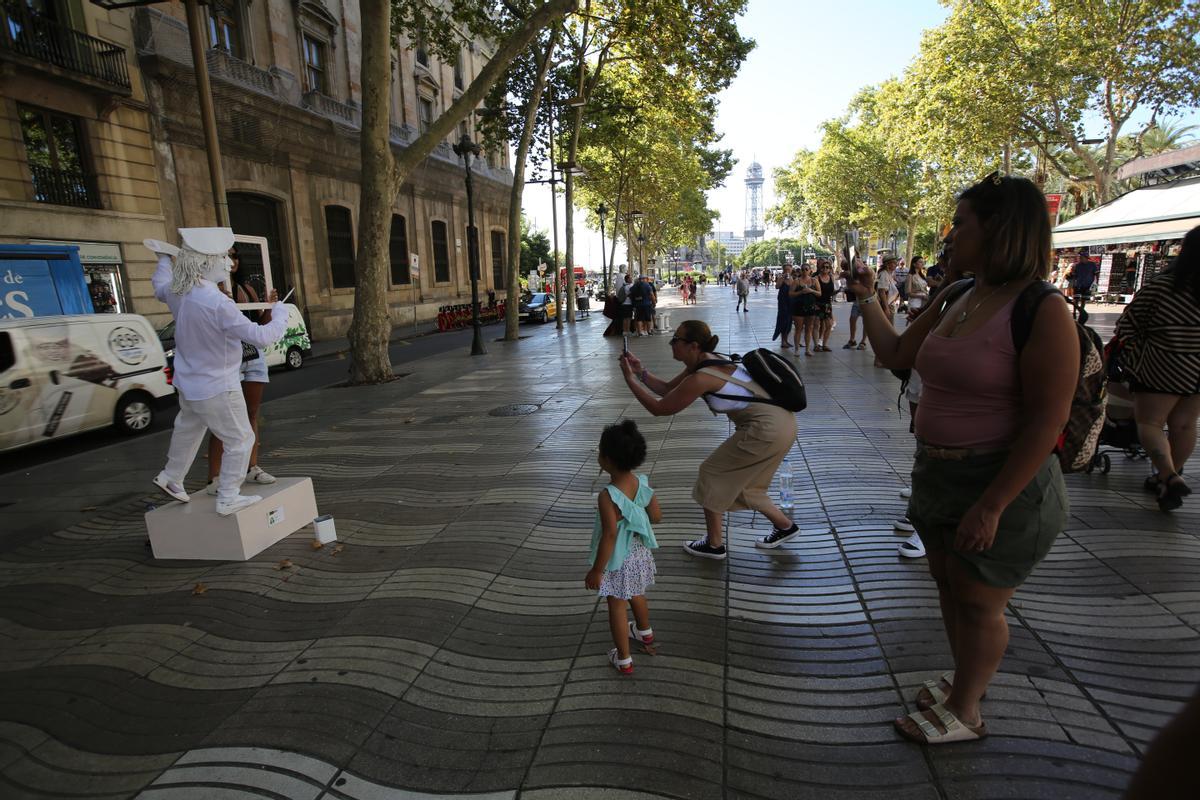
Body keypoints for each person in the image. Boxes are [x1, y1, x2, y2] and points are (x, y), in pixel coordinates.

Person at [853, 174, 1078, 744]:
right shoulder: (960, 294)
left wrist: (993, 504)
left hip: (1002, 483)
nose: (950, 235)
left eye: (961, 223)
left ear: (999, 230)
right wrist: (863, 298)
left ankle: (968, 710)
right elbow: (897, 354)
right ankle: (963, 685)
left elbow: (1046, 421)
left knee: (979, 600)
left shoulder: (1043, 310)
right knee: (950, 584)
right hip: (938, 473)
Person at [618, 320, 801, 558]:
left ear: (693, 345)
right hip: (781, 425)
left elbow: (660, 408)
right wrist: (640, 372)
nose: (671, 343)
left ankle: (714, 545)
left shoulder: (703, 376)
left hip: (765, 429)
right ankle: (785, 526)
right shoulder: (706, 361)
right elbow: (666, 390)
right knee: (745, 485)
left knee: (712, 474)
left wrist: (629, 380)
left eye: (676, 340)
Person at [147, 229, 288, 516]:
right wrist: (281, 313)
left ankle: (171, 477)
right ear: (205, 263)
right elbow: (259, 337)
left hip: (189, 383)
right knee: (241, 439)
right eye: (222, 256)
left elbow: (160, 284)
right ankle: (228, 496)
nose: (227, 263)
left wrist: (163, 258)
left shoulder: (180, 292)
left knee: (188, 429)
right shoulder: (217, 302)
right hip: (218, 385)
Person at [1113, 225, 1200, 511]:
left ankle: (1168, 475)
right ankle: (1170, 478)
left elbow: (1127, 325)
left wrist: (1137, 351)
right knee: (1185, 424)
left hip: (1161, 366)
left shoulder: (1163, 287)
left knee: (1150, 423)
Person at [585, 420, 662, 675]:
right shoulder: (641, 483)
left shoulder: (608, 495)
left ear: (606, 460)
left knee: (617, 605)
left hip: (618, 560)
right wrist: (636, 514)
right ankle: (645, 632)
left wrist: (597, 570)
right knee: (637, 592)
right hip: (639, 553)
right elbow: (657, 516)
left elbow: (609, 535)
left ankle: (624, 659)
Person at [205, 246, 277, 496]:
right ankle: (214, 476)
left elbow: (261, 325)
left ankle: (252, 466)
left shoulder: (246, 289)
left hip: (252, 355)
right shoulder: (209, 292)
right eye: (225, 255)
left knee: (251, 413)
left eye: (235, 256)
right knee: (224, 419)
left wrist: (270, 306)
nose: (231, 261)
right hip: (227, 359)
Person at [790, 264, 820, 355]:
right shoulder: (796, 281)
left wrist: (811, 291)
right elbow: (790, 294)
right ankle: (797, 349)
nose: (804, 271)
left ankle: (807, 349)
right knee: (798, 329)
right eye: (802, 269)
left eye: (806, 269)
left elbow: (819, 293)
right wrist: (801, 292)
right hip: (798, 307)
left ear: (810, 270)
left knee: (809, 329)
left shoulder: (814, 281)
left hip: (810, 307)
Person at [1071, 249, 1100, 322]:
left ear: (1086, 258)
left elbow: (1096, 273)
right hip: (1078, 284)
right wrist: (1074, 283)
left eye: (1081, 257)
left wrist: (1096, 282)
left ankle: (1081, 311)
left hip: (1087, 284)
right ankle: (1074, 312)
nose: (1080, 258)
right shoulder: (1077, 265)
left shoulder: (1092, 265)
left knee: (1084, 299)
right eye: (1080, 257)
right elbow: (1074, 275)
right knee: (1076, 299)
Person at [815, 260, 836, 351]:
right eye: (823, 267)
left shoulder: (831, 277)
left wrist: (840, 291)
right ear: (820, 268)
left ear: (830, 269)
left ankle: (824, 344)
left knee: (829, 325)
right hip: (817, 304)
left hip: (827, 304)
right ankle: (816, 345)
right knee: (816, 325)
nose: (825, 269)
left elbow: (832, 291)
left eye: (827, 267)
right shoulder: (816, 278)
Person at [771, 267, 794, 348]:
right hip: (783, 302)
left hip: (791, 301)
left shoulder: (792, 278)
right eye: (786, 269)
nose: (787, 271)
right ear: (783, 270)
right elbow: (777, 286)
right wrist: (783, 278)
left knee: (789, 321)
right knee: (783, 321)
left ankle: (786, 340)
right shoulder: (781, 277)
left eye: (789, 269)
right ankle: (782, 341)